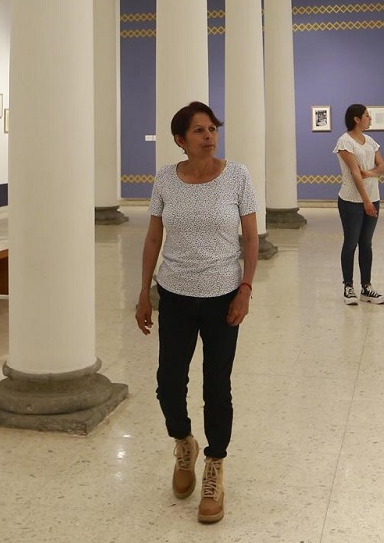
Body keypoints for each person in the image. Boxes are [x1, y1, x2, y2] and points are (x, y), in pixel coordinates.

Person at [135, 101, 258, 525]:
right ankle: (183, 441)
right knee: (168, 382)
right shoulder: (166, 179)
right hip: (175, 295)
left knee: (216, 387)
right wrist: (142, 291)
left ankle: (215, 466)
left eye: (212, 129)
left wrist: (244, 290)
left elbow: (251, 237)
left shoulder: (237, 175)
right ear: (180, 140)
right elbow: (153, 237)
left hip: (223, 296)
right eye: (199, 131)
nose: (209, 136)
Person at [335, 103, 384, 305]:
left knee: (366, 243)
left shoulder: (370, 141)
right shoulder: (344, 142)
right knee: (351, 242)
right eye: (367, 115)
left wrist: (371, 173)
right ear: (356, 119)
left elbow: (382, 167)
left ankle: (367, 287)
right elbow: (354, 173)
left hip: (373, 197)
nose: (370, 119)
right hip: (351, 200)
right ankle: (348, 286)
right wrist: (365, 200)